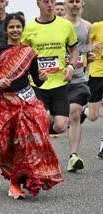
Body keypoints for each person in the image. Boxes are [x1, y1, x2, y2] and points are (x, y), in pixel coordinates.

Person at [0, 13, 63, 199]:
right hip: (4, 102)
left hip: (25, 98)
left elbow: (35, 80)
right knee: (8, 143)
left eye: (18, 27)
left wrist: (41, 78)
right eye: (12, 27)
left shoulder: (28, 52)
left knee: (30, 136)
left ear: (22, 29)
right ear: (6, 29)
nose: (15, 30)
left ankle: (16, 183)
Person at [21, 0, 79, 137]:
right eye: (45, 1)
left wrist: (71, 66)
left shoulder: (65, 25)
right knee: (44, 118)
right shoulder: (29, 28)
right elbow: (22, 55)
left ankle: (39, 133)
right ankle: (38, 141)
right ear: (38, 4)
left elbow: (75, 50)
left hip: (60, 82)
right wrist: (34, 71)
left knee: (61, 126)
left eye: (52, 1)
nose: (50, 4)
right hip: (37, 83)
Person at [63, 0, 96, 172]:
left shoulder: (87, 26)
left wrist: (90, 55)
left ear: (81, 3)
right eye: (71, 1)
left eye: (77, 1)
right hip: (58, 80)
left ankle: (73, 156)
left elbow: (87, 46)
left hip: (79, 79)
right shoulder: (58, 23)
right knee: (55, 122)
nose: (74, 4)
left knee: (74, 114)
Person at [80, 20, 103, 159]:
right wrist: (92, 48)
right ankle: (85, 109)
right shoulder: (96, 27)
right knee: (93, 116)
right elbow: (83, 46)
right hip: (97, 74)